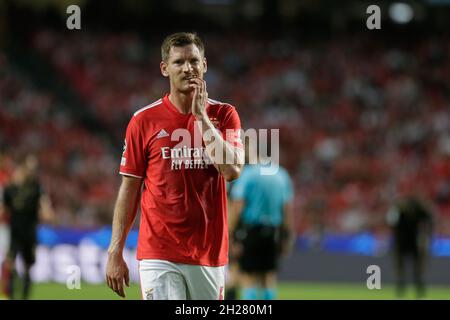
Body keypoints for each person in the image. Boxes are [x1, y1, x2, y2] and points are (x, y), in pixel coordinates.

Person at [105, 32, 244, 300]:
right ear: (164, 68)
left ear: (204, 65)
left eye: (194, 61)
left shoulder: (224, 115)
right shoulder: (143, 120)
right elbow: (129, 188)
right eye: (179, 62)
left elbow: (232, 171)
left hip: (208, 252)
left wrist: (201, 117)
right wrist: (115, 251)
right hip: (159, 251)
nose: (188, 68)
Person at [228, 145, 295, 300]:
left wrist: (231, 233)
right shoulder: (281, 174)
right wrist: (287, 235)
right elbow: (287, 209)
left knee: (248, 277)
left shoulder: (248, 175)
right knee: (268, 277)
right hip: (273, 232)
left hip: (251, 232)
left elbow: (238, 206)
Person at [1, 155, 55, 300]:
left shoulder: (37, 188)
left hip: (30, 233)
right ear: (23, 168)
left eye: (35, 168)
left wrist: (47, 212)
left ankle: (24, 297)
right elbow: (4, 210)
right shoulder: (10, 189)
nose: (33, 171)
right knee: (10, 264)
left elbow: (45, 207)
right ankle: (10, 296)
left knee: (27, 267)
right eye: (31, 168)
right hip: (14, 233)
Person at [386, 195, 434, 299]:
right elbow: (429, 220)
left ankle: (407, 291)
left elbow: (391, 224)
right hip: (408, 243)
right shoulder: (415, 210)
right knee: (409, 270)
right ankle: (411, 292)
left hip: (407, 243)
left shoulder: (400, 210)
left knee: (408, 270)